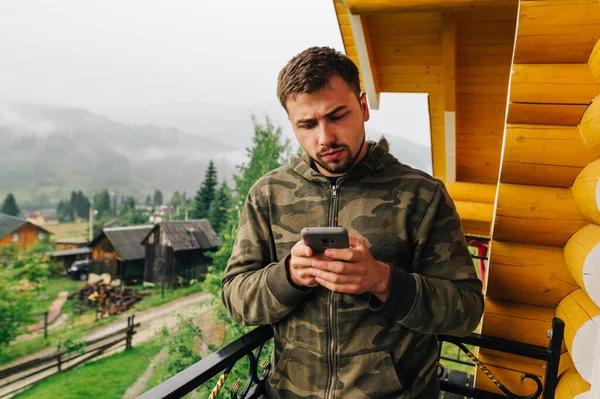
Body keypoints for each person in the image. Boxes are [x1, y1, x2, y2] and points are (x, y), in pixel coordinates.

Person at [221, 46, 484, 399]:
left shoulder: (422, 195)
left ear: (362, 107)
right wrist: (288, 276)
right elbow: (235, 298)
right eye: (307, 124)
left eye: (337, 116)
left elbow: (465, 311)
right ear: (292, 125)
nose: (325, 137)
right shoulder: (269, 194)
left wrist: (383, 281)